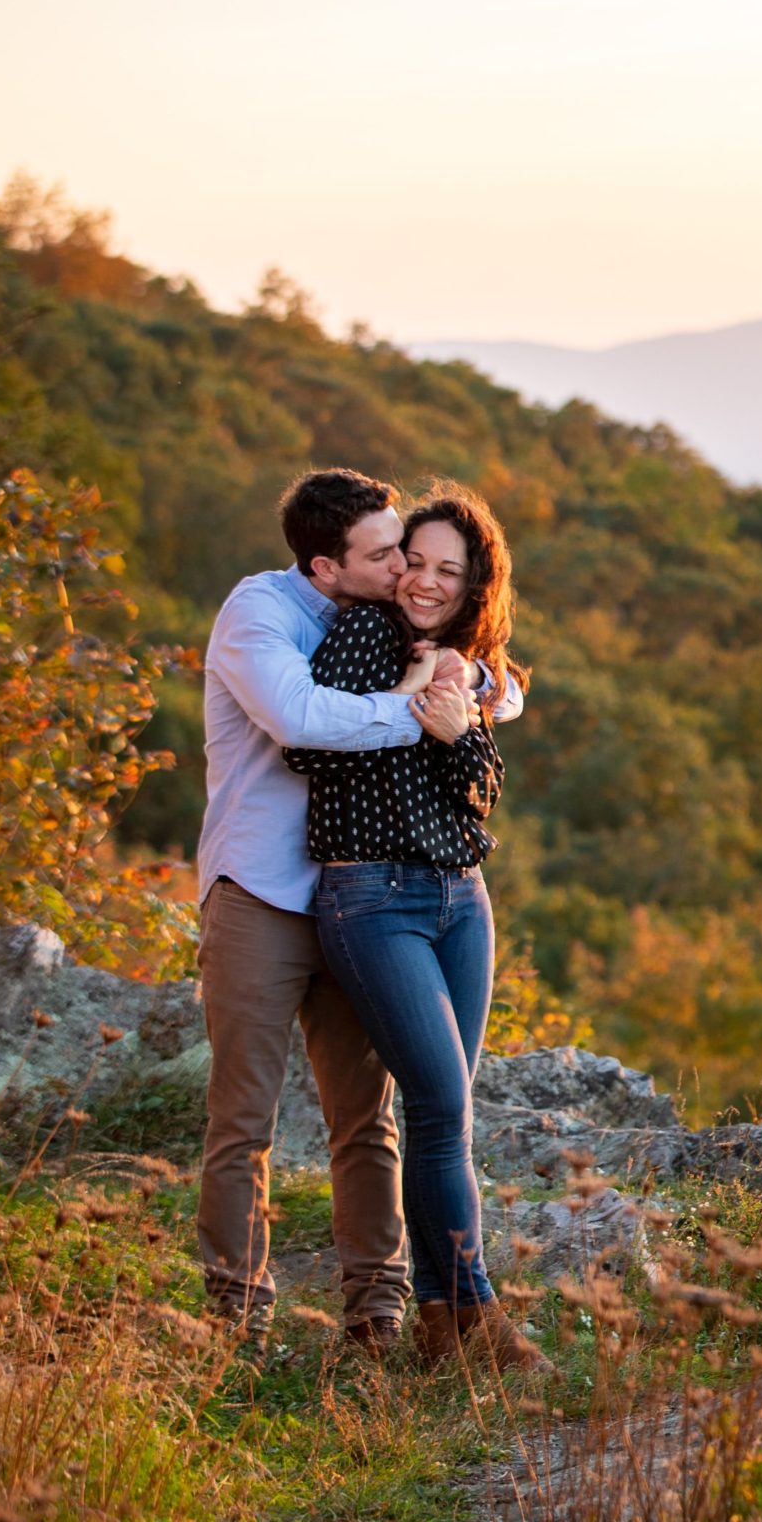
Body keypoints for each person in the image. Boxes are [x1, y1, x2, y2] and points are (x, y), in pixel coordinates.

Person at [194, 468, 520, 1353]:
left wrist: (479, 684)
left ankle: (377, 1313)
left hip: (353, 901)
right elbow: (303, 723)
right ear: (327, 567)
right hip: (265, 891)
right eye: (386, 555)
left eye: (411, 554)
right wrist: (431, 708)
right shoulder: (262, 615)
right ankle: (236, 1319)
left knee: (366, 1117)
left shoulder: (379, 623)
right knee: (244, 1116)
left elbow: (492, 686)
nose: (402, 569)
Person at [285, 480, 549, 1373]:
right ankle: (480, 1317)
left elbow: (480, 794)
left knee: (449, 1117)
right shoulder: (364, 633)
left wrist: (456, 729)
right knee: (437, 1104)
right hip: (372, 898)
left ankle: (442, 1325)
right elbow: (307, 746)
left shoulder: (466, 661)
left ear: (476, 583)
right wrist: (411, 704)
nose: (424, 581)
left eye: (448, 569)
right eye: (413, 561)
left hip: (460, 897)